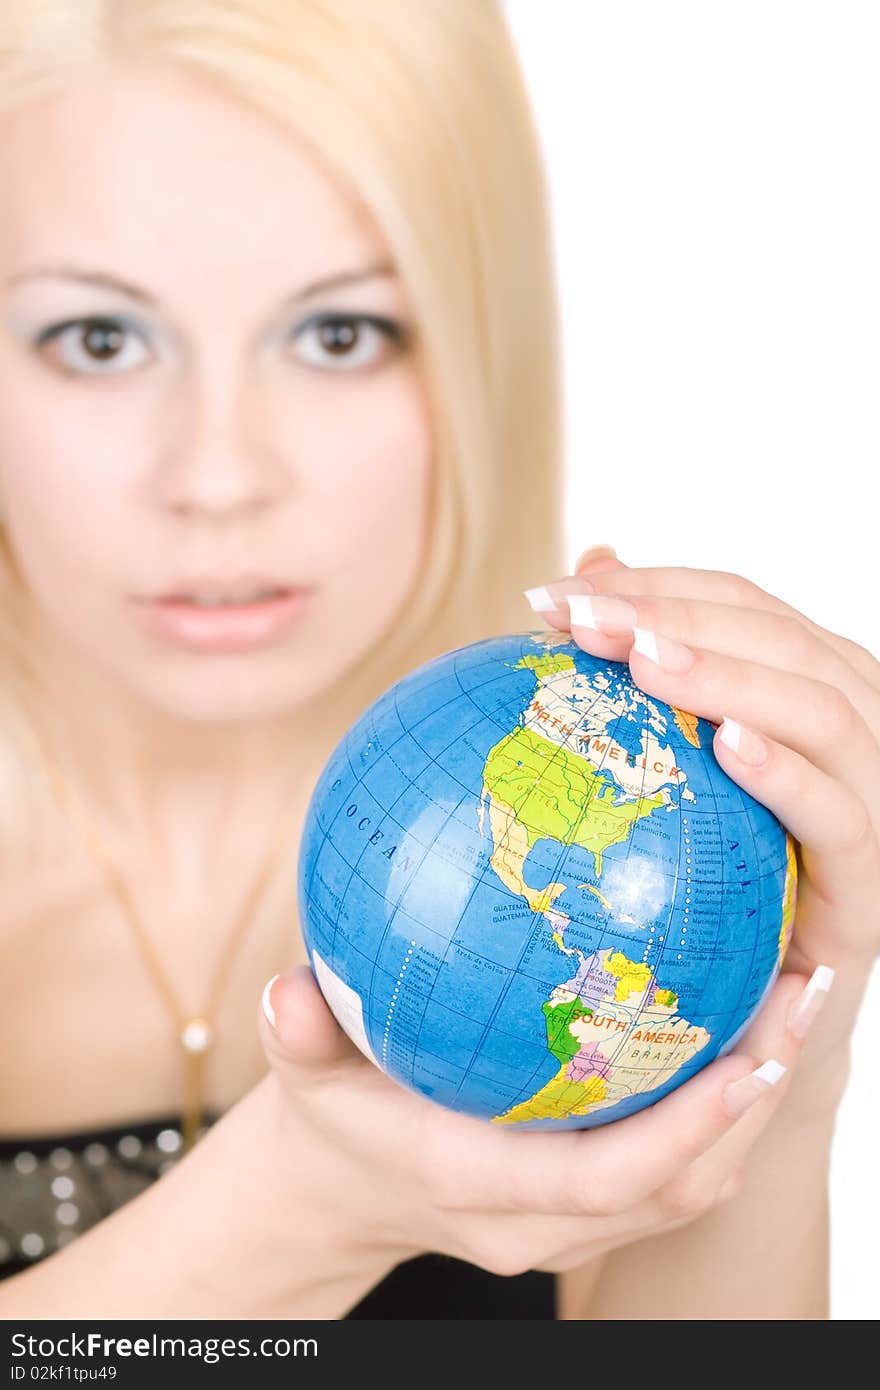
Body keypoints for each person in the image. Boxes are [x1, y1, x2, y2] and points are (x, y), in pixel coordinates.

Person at [0, 0, 876, 1322]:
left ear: (480, 352)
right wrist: (289, 1215)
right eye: (100, 338)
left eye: (338, 333)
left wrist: (789, 1039)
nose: (221, 475)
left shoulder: (617, 866)